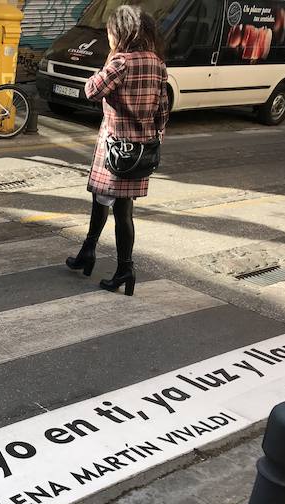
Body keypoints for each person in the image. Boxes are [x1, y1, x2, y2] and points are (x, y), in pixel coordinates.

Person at [65, 4, 169, 296]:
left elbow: (90, 90)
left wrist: (110, 60)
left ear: (122, 32)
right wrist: (153, 138)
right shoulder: (157, 63)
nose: (109, 37)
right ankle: (90, 251)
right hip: (140, 151)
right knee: (115, 206)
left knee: (111, 204)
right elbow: (162, 111)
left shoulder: (121, 62)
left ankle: (123, 267)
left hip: (115, 149)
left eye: (111, 32)